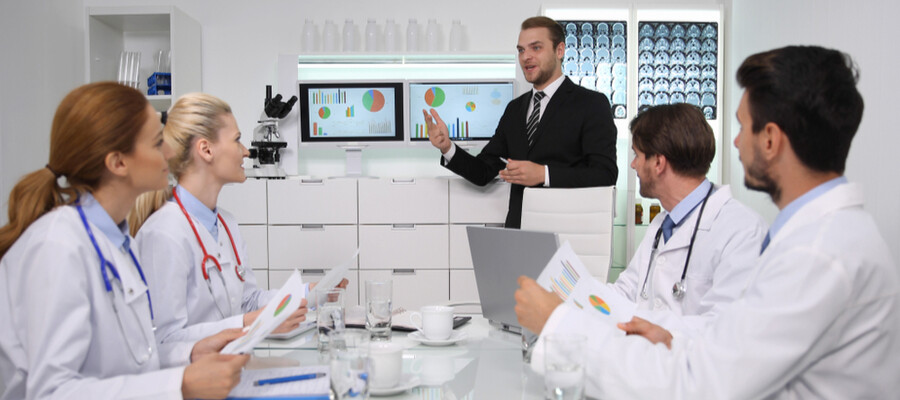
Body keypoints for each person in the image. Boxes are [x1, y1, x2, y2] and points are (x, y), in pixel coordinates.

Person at [515, 46, 900, 398]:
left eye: (741, 127)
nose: (733, 143)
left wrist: (558, 324)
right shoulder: (823, 239)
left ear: (770, 140)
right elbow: (738, 339)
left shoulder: (817, 255)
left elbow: (699, 387)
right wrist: (674, 336)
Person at [0, 82, 249, 399]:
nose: (171, 152)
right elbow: (51, 392)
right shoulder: (57, 246)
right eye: (158, 142)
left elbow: (135, 359)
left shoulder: (119, 242)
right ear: (118, 162)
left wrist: (190, 354)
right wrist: (179, 384)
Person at [131, 93, 346, 344]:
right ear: (206, 149)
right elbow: (164, 341)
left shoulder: (226, 224)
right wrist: (249, 323)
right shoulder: (163, 232)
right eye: (237, 140)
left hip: (231, 366)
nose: (245, 151)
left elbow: (248, 301)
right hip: (191, 378)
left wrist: (312, 293)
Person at [422, 16, 617, 228]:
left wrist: (544, 174)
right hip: (519, 232)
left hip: (569, 233)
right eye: (521, 50)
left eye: (536, 48)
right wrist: (447, 147)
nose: (526, 57)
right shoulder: (514, 109)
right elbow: (484, 171)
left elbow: (604, 174)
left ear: (559, 51)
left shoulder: (591, 104)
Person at [611, 103, 766, 337]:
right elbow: (626, 290)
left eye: (637, 155)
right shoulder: (662, 224)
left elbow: (725, 328)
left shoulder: (742, 230)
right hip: (647, 361)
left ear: (659, 163)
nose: (633, 164)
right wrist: (573, 298)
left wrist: (651, 328)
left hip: (692, 367)